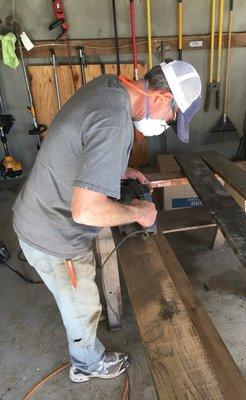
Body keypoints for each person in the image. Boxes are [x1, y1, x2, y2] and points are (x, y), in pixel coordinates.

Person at [12, 60, 202, 383]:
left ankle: (85, 354)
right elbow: (85, 211)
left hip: (37, 209)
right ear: (162, 97)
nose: (166, 125)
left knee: (79, 297)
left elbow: (85, 144)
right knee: (81, 302)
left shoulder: (111, 87)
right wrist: (138, 213)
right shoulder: (116, 121)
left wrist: (117, 170)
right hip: (51, 235)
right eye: (171, 119)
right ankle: (86, 363)